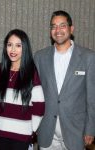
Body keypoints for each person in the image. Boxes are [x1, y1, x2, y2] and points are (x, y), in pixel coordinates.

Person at [34, 10, 95, 150]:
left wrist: (91, 129)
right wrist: (34, 124)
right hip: (46, 131)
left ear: (71, 29)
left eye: (62, 25)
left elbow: (92, 98)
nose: (58, 30)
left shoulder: (88, 57)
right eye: (53, 26)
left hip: (76, 132)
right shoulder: (40, 57)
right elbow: (35, 94)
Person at [0, 29, 45, 150]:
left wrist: (33, 129)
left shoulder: (31, 72)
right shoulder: (1, 69)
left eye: (18, 45)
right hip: (0, 131)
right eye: (9, 45)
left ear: (25, 48)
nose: (13, 50)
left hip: (22, 134)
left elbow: (40, 105)